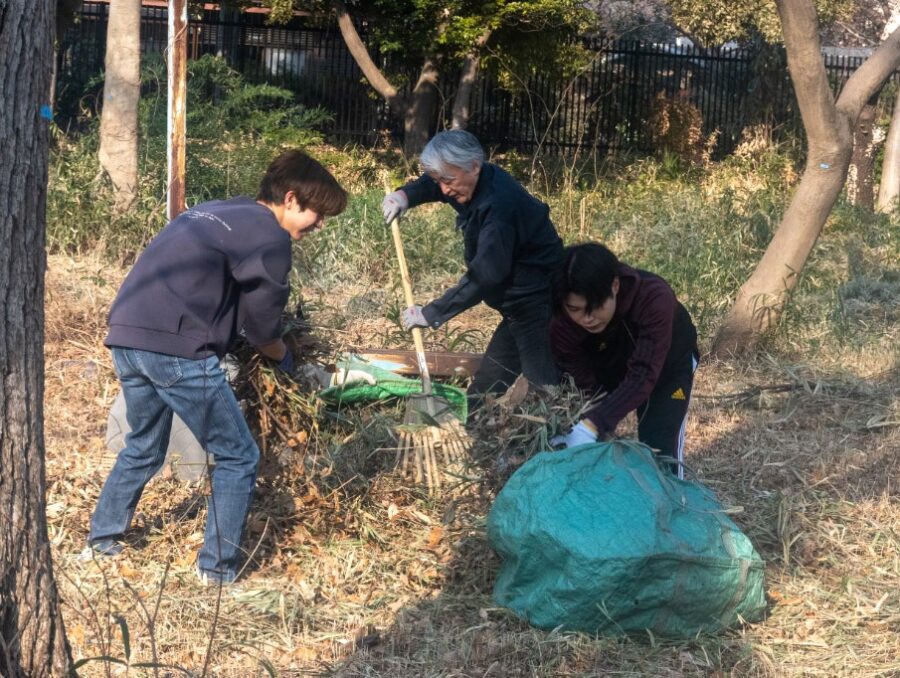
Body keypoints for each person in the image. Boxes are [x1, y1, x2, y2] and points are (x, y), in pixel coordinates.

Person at [85, 149, 347, 584]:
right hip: (176, 349)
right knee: (238, 455)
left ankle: (100, 542)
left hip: (128, 335)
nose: (318, 225)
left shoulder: (218, 210)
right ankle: (216, 571)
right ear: (290, 199)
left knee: (144, 445)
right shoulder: (271, 237)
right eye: (317, 215)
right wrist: (286, 360)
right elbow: (263, 328)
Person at [382, 130, 563, 402]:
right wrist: (403, 196)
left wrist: (431, 313)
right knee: (484, 390)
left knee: (544, 388)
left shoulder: (499, 207)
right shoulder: (471, 180)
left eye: (448, 180)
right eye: (439, 180)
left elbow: (486, 274)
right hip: (516, 306)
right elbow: (435, 183)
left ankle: (563, 436)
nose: (444, 190)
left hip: (537, 301)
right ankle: (474, 423)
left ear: (474, 166)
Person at [549, 243, 699, 478]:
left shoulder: (654, 298)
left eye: (596, 306)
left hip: (665, 369)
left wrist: (593, 424)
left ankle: (673, 506)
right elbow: (579, 374)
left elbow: (644, 373)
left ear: (615, 286)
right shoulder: (563, 320)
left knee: (659, 454)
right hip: (608, 366)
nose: (587, 319)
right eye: (576, 309)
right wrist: (590, 416)